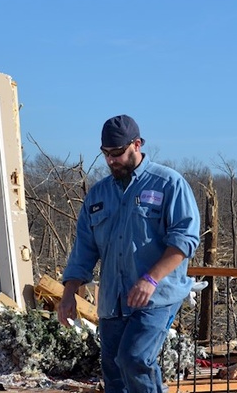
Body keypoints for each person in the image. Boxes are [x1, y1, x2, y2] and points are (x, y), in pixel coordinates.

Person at [57, 114, 201, 393]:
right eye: (106, 154)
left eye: (118, 153)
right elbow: (84, 249)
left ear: (137, 144)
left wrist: (151, 278)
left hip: (156, 296)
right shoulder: (98, 195)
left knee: (134, 358)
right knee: (114, 373)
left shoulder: (169, 184)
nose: (111, 161)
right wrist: (68, 293)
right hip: (114, 300)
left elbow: (184, 241)